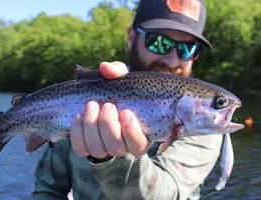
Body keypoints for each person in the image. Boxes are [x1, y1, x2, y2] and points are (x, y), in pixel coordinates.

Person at [32, 0, 223, 199]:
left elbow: (166, 194)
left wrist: (113, 158)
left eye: (188, 49)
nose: (172, 61)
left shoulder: (205, 121)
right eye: (159, 42)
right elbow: (48, 189)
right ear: (132, 37)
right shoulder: (83, 100)